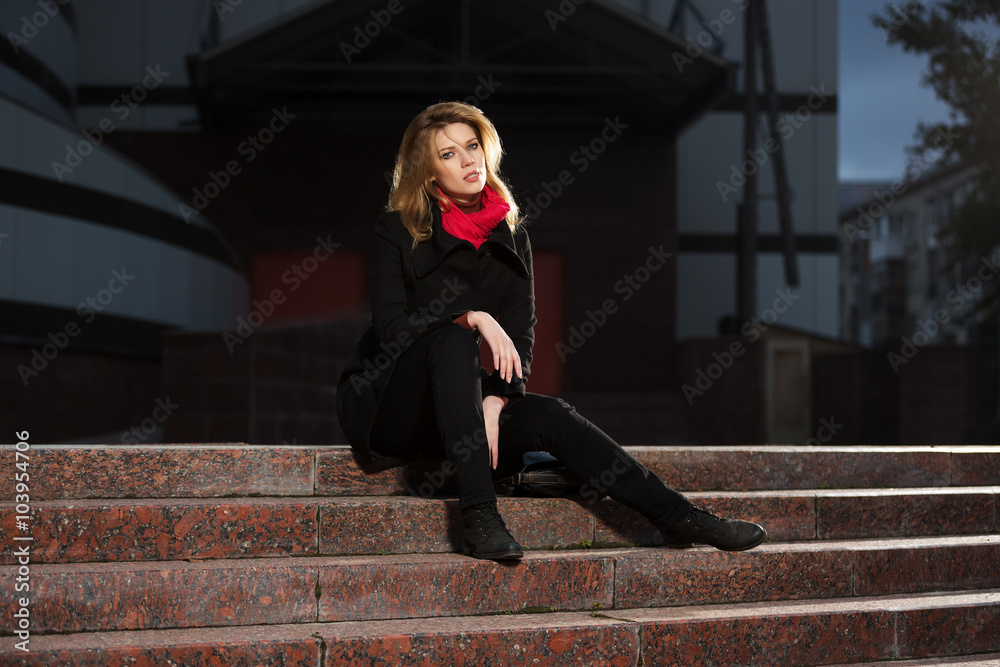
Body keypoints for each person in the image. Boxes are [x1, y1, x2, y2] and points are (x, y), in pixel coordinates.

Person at [337, 101, 766, 561]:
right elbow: (390, 330)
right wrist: (470, 317)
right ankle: (479, 517)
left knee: (552, 416)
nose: (468, 160)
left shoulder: (511, 235)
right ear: (427, 174)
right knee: (453, 338)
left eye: (472, 146)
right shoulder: (396, 230)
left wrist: (495, 400)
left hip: (456, 401)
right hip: (389, 405)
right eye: (448, 154)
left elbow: (521, 333)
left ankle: (679, 517)